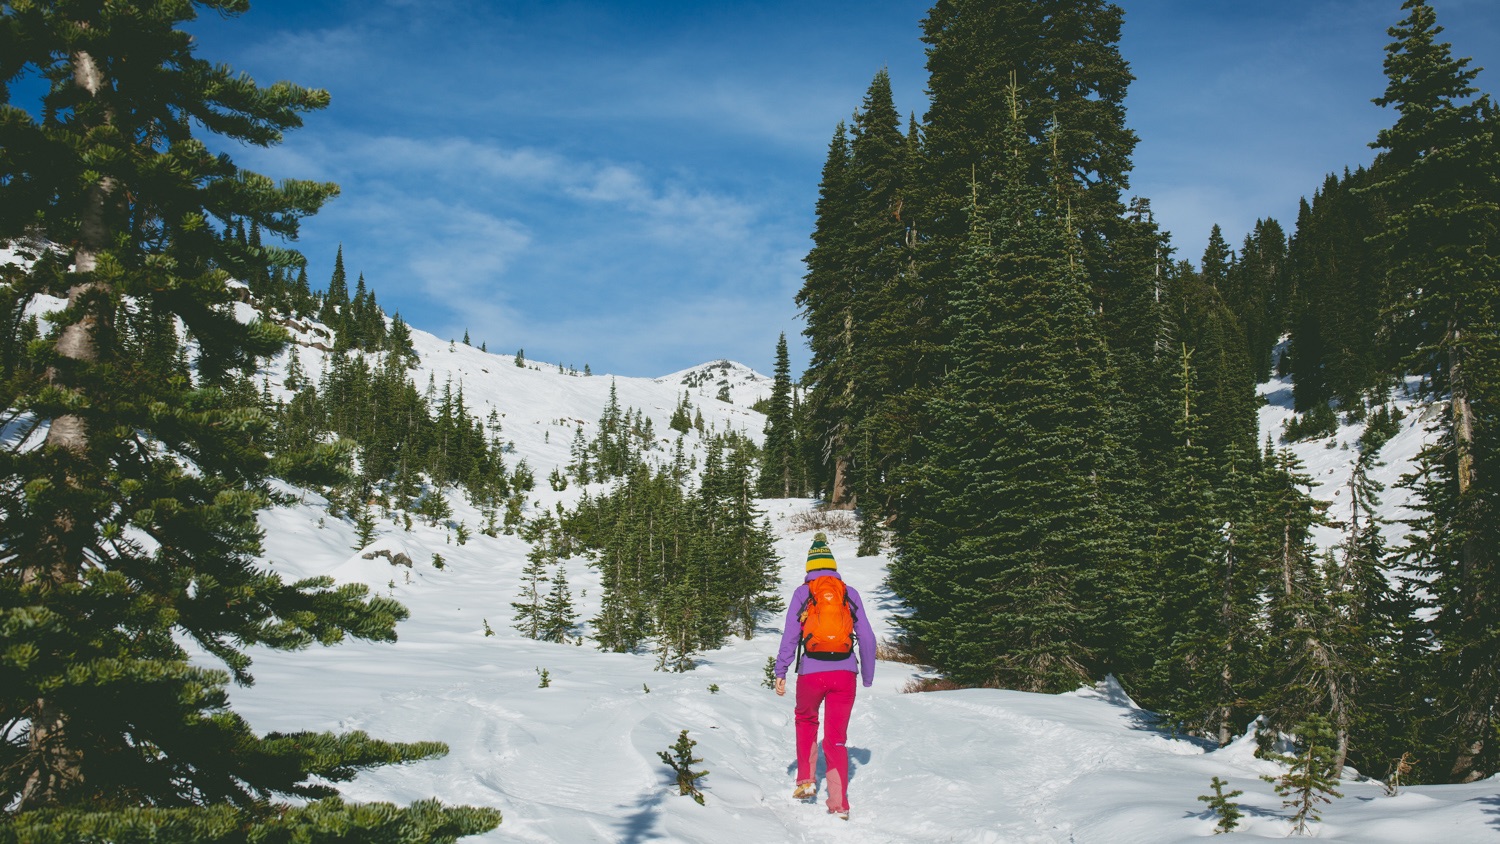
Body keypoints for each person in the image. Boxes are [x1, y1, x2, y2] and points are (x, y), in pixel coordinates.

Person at [774, 531, 875, 820]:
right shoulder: (848, 593)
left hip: (811, 673)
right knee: (836, 740)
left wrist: (780, 670)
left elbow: (790, 637)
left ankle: (806, 780)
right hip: (844, 674)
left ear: (809, 568)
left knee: (806, 721)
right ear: (833, 566)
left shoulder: (802, 593)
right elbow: (867, 637)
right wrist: (866, 674)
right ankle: (839, 804)